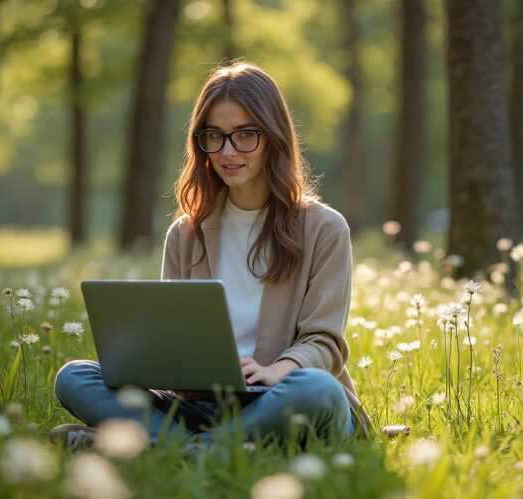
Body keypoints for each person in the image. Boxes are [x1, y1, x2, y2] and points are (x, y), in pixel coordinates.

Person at [51, 62, 370, 450]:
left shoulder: (324, 228)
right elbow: (175, 340)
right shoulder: (186, 234)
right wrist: (174, 374)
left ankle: (164, 447)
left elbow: (325, 342)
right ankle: (207, 448)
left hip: (285, 398)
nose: (227, 151)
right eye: (214, 137)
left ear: (273, 137)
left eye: (244, 136)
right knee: (75, 377)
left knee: (318, 388)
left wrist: (276, 370)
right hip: (206, 406)